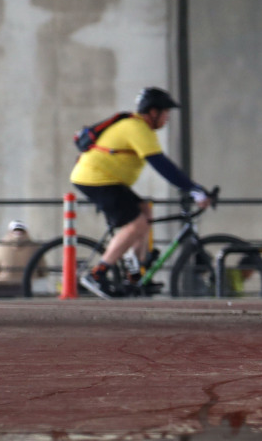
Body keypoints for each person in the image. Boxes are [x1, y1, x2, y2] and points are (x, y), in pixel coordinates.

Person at [70, 87, 211, 299]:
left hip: (109, 180)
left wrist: (191, 188)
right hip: (96, 179)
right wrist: (193, 189)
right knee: (137, 224)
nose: (167, 118)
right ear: (153, 112)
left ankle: (134, 276)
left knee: (145, 210)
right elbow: (162, 165)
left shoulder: (137, 127)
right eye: (165, 113)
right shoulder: (137, 128)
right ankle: (97, 275)